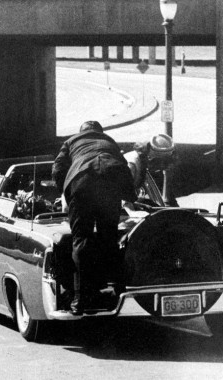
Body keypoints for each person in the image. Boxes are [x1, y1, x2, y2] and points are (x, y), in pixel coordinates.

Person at [52, 120, 136, 315]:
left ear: (82, 132)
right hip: (110, 185)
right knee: (110, 239)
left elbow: (57, 169)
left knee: (81, 240)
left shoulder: (71, 142)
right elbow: (124, 169)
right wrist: (131, 197)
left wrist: (65, 192)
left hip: (82, 184)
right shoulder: (110, 142)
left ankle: (80, 300)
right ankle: (118, 292)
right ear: (100, 132)